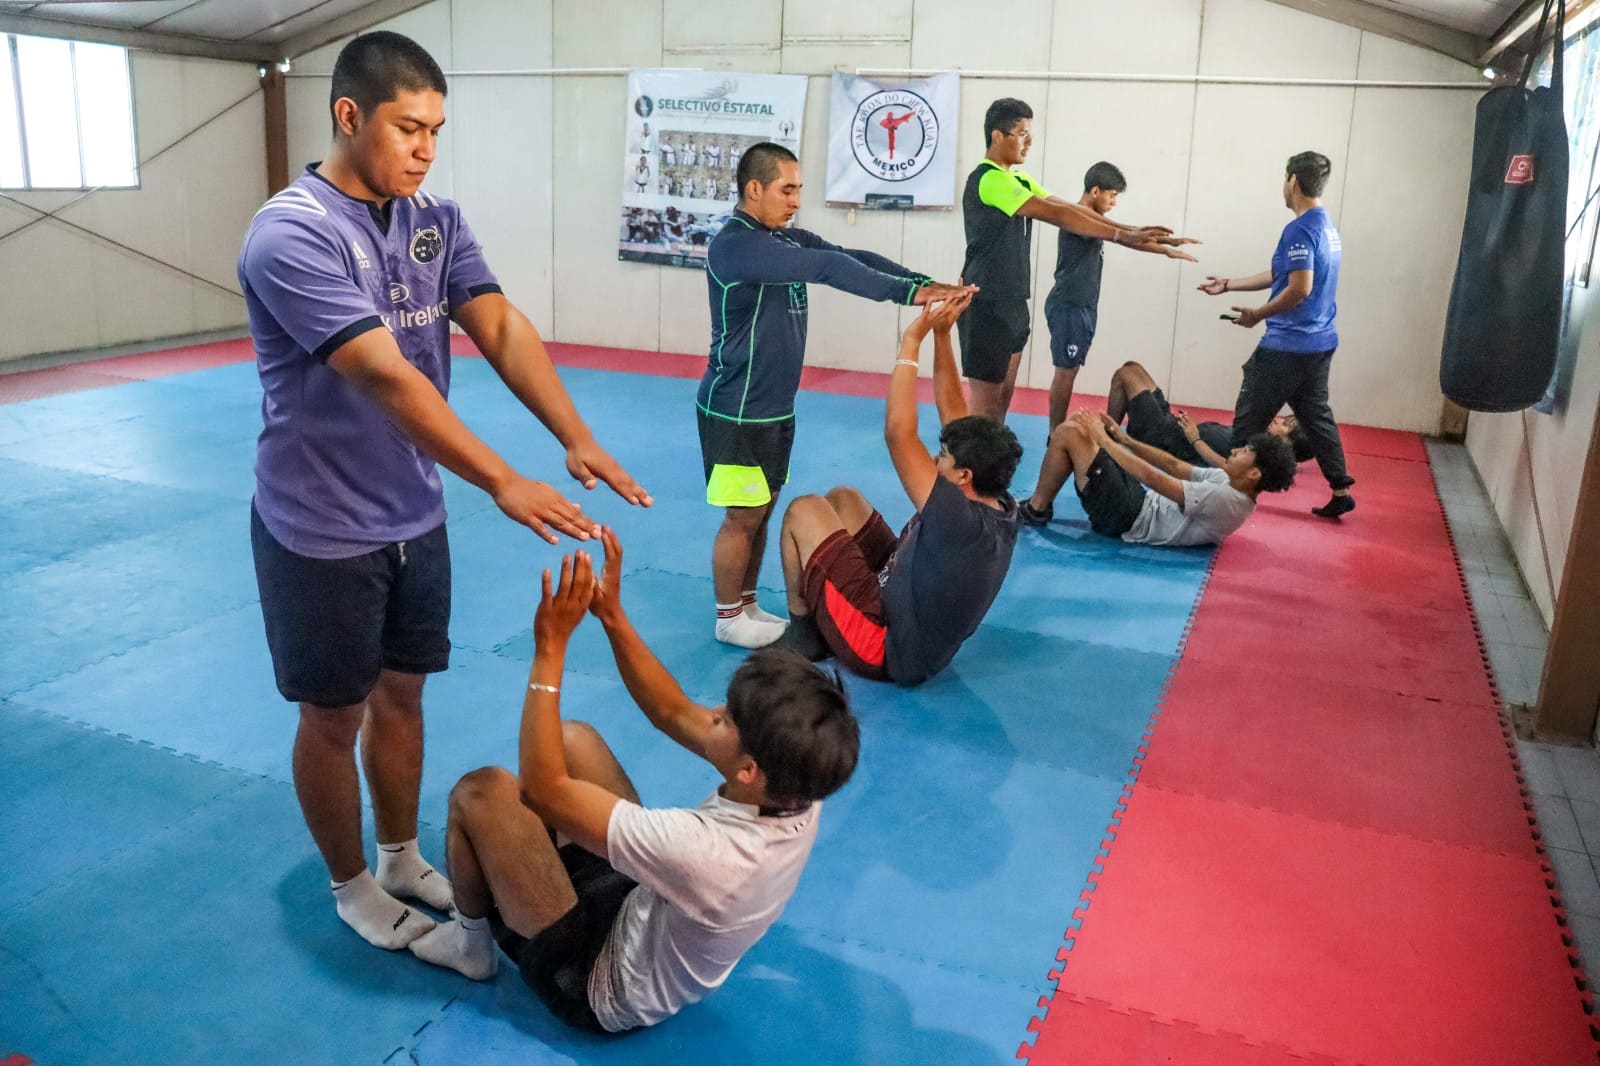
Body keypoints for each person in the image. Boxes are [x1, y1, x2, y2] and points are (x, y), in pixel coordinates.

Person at [239, 31, 649, 952]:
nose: (425, 149)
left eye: (436, 131)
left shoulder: (433, 218)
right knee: (333, 715)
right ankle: (351, 885)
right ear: (349, 115)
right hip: (321, 526)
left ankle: (396, 854)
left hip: (414, 514)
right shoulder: (291, 233)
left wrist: (574, 435)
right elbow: (384, 374)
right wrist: (502, 478)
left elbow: (498, 325)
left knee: (404, 693)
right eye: (407, 128)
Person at [407, 531, 859, 1035]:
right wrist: (613, 616)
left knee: (482, 791)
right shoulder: (800, 780)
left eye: (726, 719)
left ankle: (470, 944)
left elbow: (541, 788)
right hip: (647, 915)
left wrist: (549, 649)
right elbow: (672, 711)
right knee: (573, 739)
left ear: (749, 770)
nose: (713, 712)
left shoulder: (710, 851)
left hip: (599, 984)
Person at [698, 141, 968, 649]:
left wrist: (922, 282)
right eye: (787, 190)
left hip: (774, 409)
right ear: (754, 189)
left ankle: (747, 603)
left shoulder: (781, 239)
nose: (796, 201)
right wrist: (907, 295)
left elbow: (844, 256)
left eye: (799, 189)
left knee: (764, 508)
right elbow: (826, 269)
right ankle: (728, 616)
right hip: (736, 411)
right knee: (742, 517)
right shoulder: (735, 246)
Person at [776, 292, 1021, 685]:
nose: (935, 460)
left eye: (942, 457)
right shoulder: (997, 499)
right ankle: (833, 612)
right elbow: (956, 416)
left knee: (802, 511)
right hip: (908, 602)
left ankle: (806, 637)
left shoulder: (959, 521)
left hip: (885, 646)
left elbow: (898, 433)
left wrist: (911, 343)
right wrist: (943, 335)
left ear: (964, 476)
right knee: (843, 499)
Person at [959, 99, 1192, 423]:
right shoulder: (988, 179)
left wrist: (1134, 233)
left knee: (1001, 402)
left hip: (1013, 300)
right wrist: (1121, 235)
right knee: (984, 409)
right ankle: (972, 457)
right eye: (1022, 134)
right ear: (997, 136)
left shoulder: (1019, 179)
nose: (1029, 142)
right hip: (987, 302)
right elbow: (1057, 214)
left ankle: (992, 457)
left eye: (1030, 134)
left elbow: (1069, 207)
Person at [1199, 150, 1354, 519]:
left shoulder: (1299, 229)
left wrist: (1258, 315)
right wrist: (1229, 284)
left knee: (1247, 420)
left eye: (1284, 179)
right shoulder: (1326, 227)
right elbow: (1281, 274)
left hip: (1288, 344)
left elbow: (1299, 287)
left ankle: (1228, 493)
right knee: (1316, 416)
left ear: (1293, 181)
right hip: (1320, 342)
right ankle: (1341, 488)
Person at [1044, 161, 1198, 436]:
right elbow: (1124, 237)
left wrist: (1165, 244)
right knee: (1065, 371)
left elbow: (1126, 233)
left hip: (1083, 305)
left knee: (1071, 369)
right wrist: (1164, 249)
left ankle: (1057, 433)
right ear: (1095, 191)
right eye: (1112, 195)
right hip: (1070, 305)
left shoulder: (1094, 219)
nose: (1114, 202)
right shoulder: (1078, 215)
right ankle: (1055, 435)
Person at [1018, 409, 1297, 548]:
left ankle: (1036, 509)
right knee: (1077, 430)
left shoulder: (1227, 500)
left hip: (1127, 517)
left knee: (1069, 433)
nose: (1235, 450)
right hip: (1138, 502)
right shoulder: (1231, 483)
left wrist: (1102, 439)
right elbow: (1172, 465)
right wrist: (1125, 441)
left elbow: (1154, 478)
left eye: (1245, 452)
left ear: (1254, 473)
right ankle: (1040, 505)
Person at [1106, 360, 1314, 469]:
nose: (1278, 420)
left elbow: (1225, 467)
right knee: (1132, 366)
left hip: (1161, 438)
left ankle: (1106, 440)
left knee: (1125, 375)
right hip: (1170, 425)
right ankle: (1110, 436)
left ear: (1287, 442)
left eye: (1285, 425)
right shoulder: (1258, 438)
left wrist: (1196, 440)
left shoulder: (1255, 457)